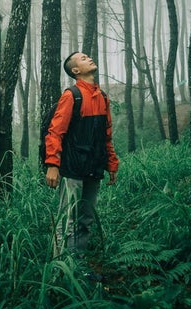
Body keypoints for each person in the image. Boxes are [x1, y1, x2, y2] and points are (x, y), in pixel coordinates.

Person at [45, 51, 119, 256]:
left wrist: (112, 163)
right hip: (72, 169)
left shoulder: (102, 97)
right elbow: (55, 132)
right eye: (83, 58)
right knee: (67, 219)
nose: (89, 58)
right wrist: (53, 164)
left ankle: (78, 264)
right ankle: (61, 269)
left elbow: (106, 135)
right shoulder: (72, 96)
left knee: (86, 220)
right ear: (75, 70)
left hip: (94, 168)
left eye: (88, 56)